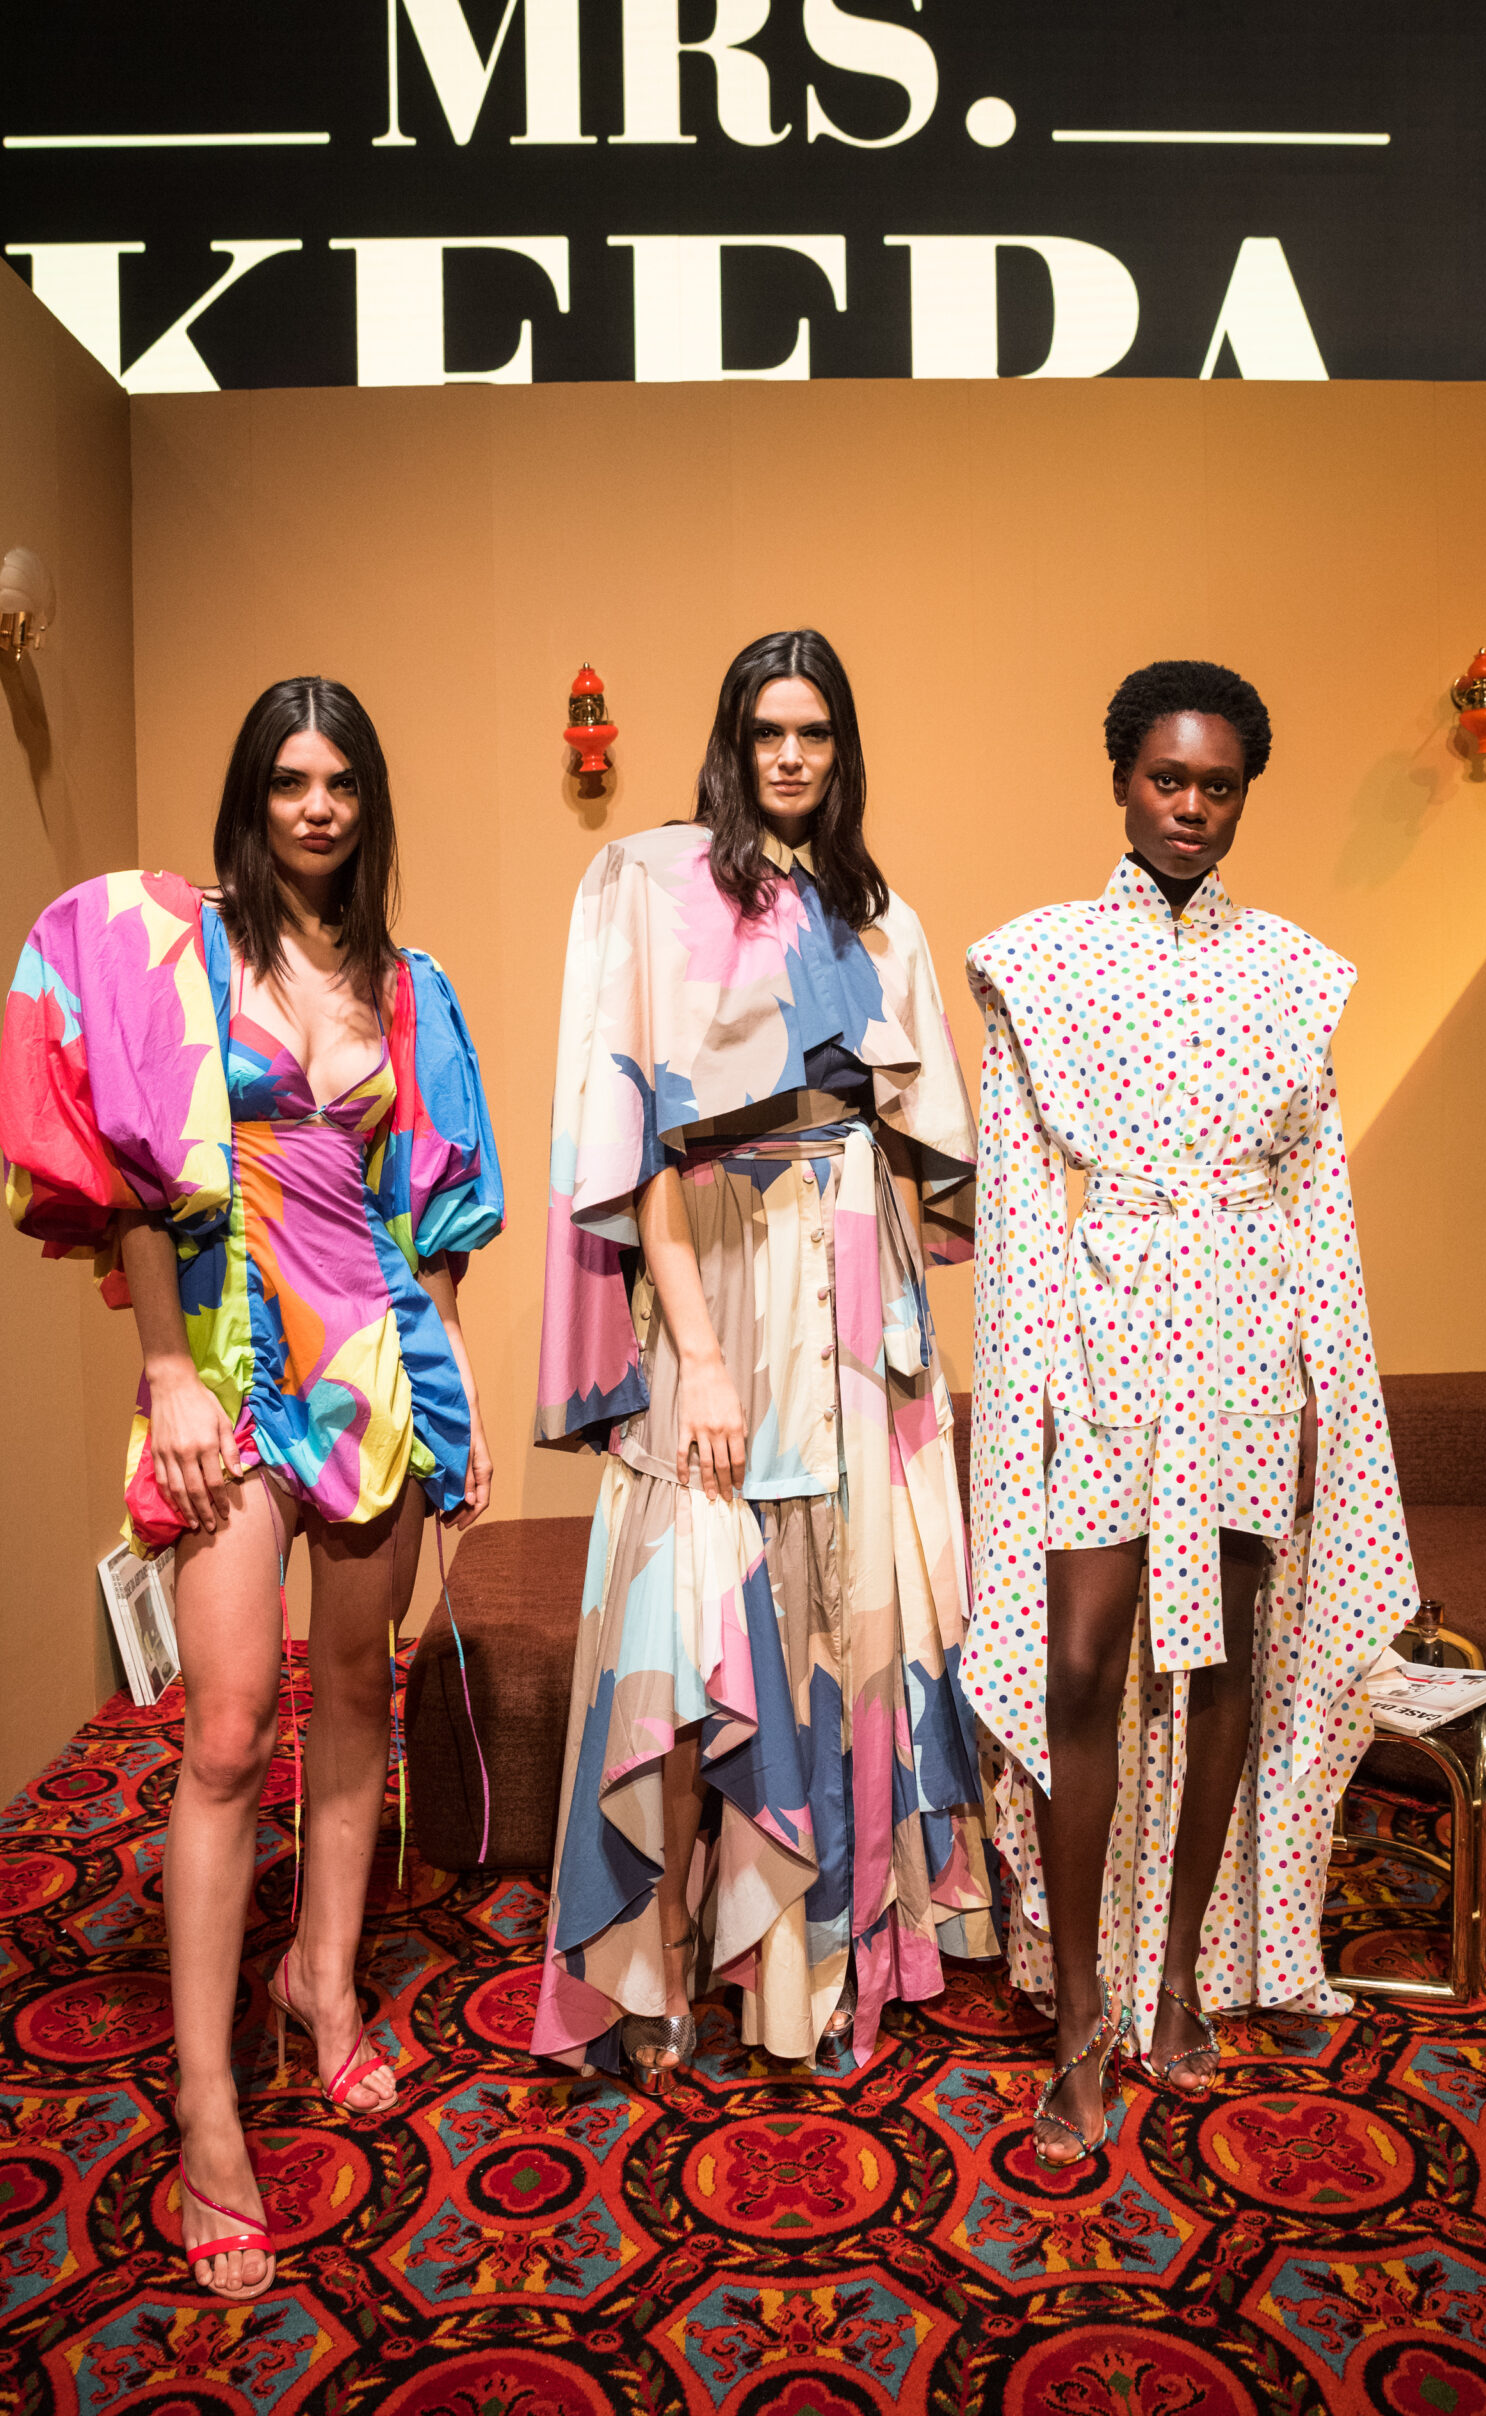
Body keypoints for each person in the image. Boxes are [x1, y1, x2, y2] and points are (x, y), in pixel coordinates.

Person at [0, 678, 501, 2295]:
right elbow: (132, 1182)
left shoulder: (411, 989)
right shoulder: (179, 954)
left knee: (356, 1690)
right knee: (226, 1734)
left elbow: (432, 1212)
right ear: (252, 796)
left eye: (341, 779)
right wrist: (161, 1373)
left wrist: (450, 1382)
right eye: (289, 779)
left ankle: (324, 1981)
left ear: (368, 802)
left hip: (370, 1365)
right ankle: (207, 2105)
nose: (317, 805)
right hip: (221, 1361)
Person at [962, 659, 1416, 2168]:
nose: (1191, 807)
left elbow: (1319, 1204)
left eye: (1219, 786)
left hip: (1243, 1340)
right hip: (1103, 1339)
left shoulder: (1293, 973)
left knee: (1220, 1662)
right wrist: (1023, 1395)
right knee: (1082, 1663)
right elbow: (1016, 1210)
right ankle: (1080, 2011)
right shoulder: (1040, 960)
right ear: (1121, 780)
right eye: (1168, 778)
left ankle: (1175, 1974)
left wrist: (1324, 1383)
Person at [532, 628, 997, 2086]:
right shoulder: (661, 891)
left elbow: (925, 1147)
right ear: (732, 747)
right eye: (767, 733)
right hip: (720, 1271)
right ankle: (660, 1953)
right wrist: (702, 1355)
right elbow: (643, 1146)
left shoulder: (881, 918)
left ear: (843, 751)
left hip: (853, 1282)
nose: (791, 757)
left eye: (815, 734)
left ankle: (814, 1969)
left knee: (846, 1611)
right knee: (693, 1620)